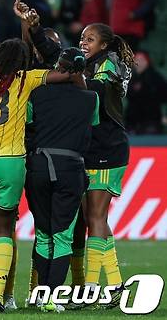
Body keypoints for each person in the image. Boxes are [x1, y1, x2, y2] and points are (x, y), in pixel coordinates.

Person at [0, 36, 79, 312]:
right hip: (10, 160)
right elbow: (64, 74)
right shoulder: (25, 78)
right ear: (20, 61)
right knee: (2, 230)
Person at [25, 48, 98, 313]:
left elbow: (28, 126)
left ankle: (40, 295)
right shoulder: (91, 99)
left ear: (58, 66)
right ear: (81, 72)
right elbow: (92, 128)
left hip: (39, 166)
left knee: (43, 234)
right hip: (71, 168)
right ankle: (54, 298)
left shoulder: (37, 94)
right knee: (63, 237)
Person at [76, 23, 134, 309]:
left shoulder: (109, 64)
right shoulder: (91, 64)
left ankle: (90, 288)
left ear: (104, 44)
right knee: (94, 219)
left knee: (96, 218)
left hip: (108, 150)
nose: (84, 43)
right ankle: (114, 287)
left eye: (90, 39)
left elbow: (96, 90)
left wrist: (69, 76)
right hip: (94, 148)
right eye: (82, 38)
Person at [125, 51, 167, 134]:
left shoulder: (156, 77)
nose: (139, 62)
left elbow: (164, 96)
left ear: (147, 62)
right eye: (136, 60)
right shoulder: (130, 78)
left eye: (142, 60)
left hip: (151, 122)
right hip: (132, 122)